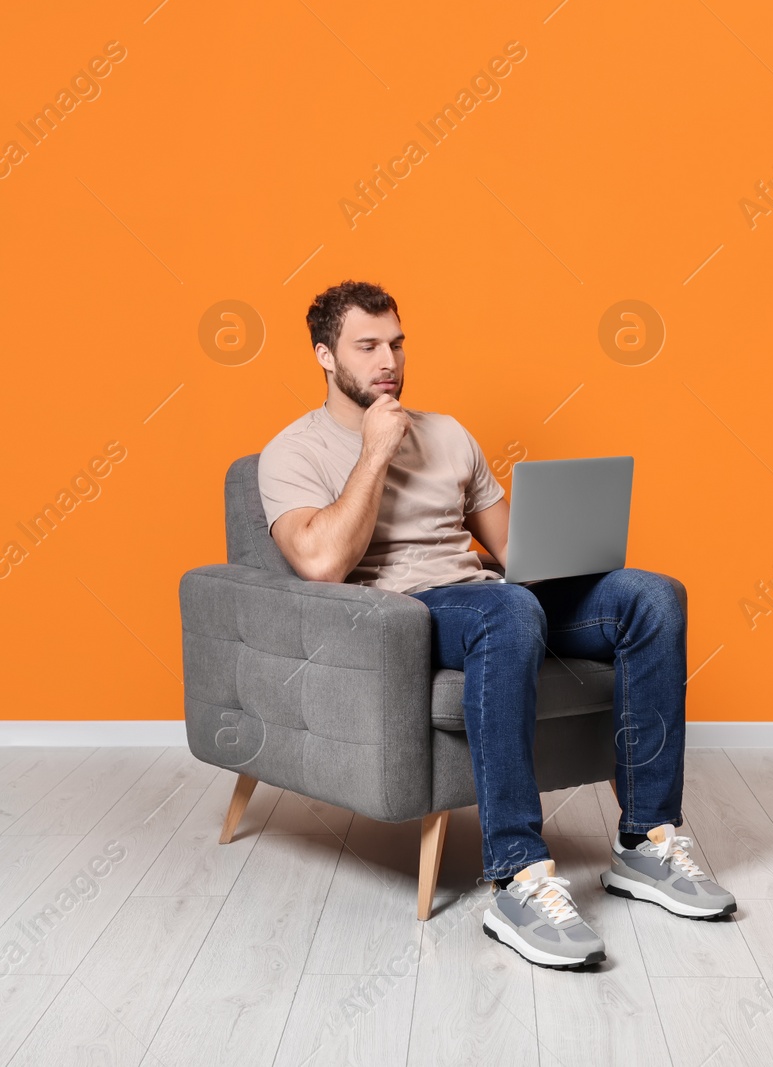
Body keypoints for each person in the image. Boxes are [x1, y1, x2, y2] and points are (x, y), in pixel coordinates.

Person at [257, 279, 735, 970]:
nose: (387, 360)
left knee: (652, 596)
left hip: (493, 598)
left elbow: (513, 554)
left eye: (396, 342)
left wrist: (571, 548)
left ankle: (646, 844)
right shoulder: (293, 453)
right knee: (507, 609)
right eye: (366, 346)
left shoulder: (448, 434)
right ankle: (516, 875)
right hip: (405, 616)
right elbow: (323, 562)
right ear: (325, 357)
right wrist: (374, 452)